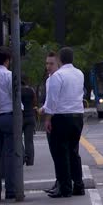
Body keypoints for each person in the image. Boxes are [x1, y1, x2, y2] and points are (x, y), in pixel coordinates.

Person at [43, 47, 85, 198]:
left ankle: (65, 188)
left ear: (60, 60)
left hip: (61, 117)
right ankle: (79, 185)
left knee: (61, 153)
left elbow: (53, 100)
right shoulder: (79, 74)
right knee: (74, 152)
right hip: (77, 116)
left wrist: (47, 118)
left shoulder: (57, 76)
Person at [0, 46, 17, 200]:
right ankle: (11, 189)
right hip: (8, 115)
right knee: (10, 153)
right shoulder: (8, 75)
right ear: (7, 60)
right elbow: (15, 97)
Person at [40, 52, 60, 194]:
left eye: (51, 63)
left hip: (56, 118)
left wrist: (46, 114)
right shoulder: (49, 79)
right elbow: (49, 101)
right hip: (51, 115)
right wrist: (43, 108)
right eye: (47, 63)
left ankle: (61, 183)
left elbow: (55, 102)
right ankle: (58, 181)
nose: (48, 66)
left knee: (58, 153)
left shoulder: (57, 78)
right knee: (55, 154)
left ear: (58, 64)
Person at [21, 76, 37, 166]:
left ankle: (22, 156)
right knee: (29, 141)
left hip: (20, 117)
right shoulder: (31, 90)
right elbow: (35, 102)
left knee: (18, 139)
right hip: (30, 117)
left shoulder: (18, 91)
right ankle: (30, 161)